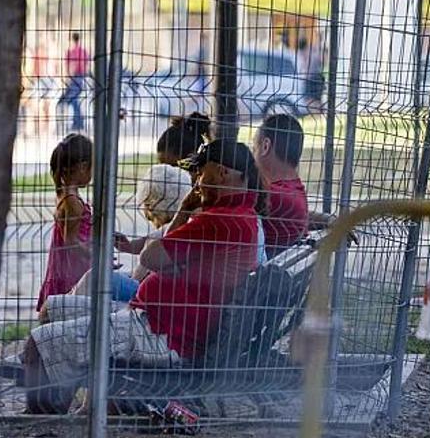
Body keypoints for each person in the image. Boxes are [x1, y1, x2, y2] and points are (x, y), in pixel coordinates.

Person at [20, 140, 261, 414]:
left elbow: (150, 258)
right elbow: (162, 258)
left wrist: (182, 215)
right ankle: (77, 410)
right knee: (53, 308)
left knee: (39, 344)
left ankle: (46, 423)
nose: (197, 182)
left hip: (161, 333)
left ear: (220, 172)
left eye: (200, 173)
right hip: (156, 320)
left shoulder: (220, 220)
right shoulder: (238, 215)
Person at [64, 164, 193, 304]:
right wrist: (128, 246)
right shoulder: (181, 226)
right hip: (157, 290)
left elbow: (137, 279)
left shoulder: (164, 234)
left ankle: (69, 305)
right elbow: (148, 241)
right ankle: (71, 301)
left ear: (149, 204)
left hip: (145, 293)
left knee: (94, 277)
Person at [36, 134, 94, 311]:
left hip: (66, 266)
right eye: (93, 166)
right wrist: (96, 256)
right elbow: (70, 242)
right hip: (72, 269)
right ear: (83, 167)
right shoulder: (72, 201)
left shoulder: (65, 194)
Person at [252, 114, 310, 258]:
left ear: (265, 146)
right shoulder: (293, 191)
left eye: (253, 148)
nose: (252, 155)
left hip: (258, 279)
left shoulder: (272, 196)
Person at [61, 33, 90, 131]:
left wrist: (68, 79)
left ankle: (78, 122)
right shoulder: (83, 51)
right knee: (75, 99)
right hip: (81, 76)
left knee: (73, 100)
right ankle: (78, 122)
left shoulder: (72, 51)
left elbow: (72, 65)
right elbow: (86, 65)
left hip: (74, 77)